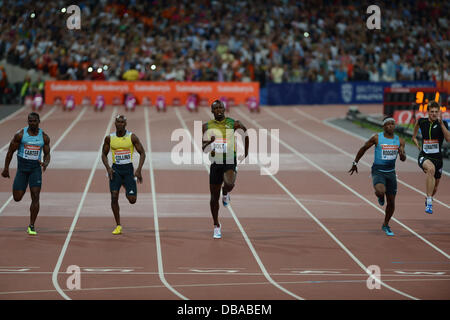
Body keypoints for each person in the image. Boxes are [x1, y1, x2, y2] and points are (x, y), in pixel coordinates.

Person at [349, 117, 406, 236]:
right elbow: (364, 148)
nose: (391, 126)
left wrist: (402, 154)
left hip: (391, 173)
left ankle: (386, 224)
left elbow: (403, 158)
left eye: (393, 124)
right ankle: (380, 196)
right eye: (388, 124)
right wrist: (355, 162)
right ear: (383, 126)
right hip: (378, 171)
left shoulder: (400, 140)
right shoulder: (377, 138)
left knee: (391, 202)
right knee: (381, 191)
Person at [202, 100, 249, 239]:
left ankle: (226, 191)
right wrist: (208, 142)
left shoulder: (233, 123)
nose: (218, 110)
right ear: (212, 111)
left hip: (229, 159)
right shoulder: (206, 126)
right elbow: (203, 147)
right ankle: (216, 225)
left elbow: (246, 132)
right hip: (215, 161)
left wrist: (246, 151)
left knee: (229, 183)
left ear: (224, 108)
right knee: (213, 198)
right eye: (215, 108)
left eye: (220, 107)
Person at [1, 112, 51, 235]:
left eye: (34, 121)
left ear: (39, 121)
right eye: (30, 121)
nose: (32, 123)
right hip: (22, 169)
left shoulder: (44, 137)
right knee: (17, 197)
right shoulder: (20, 135)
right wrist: (6, 168)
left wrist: (45, 163)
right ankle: (20, 188)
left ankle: (31, 225)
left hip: (35, 169)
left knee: (35, 196)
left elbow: (47, 154)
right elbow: (10, 152)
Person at [101, 115, 146, 235]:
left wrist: (139, 170)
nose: (119, 124)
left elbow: (142, 153)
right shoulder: (109, 138)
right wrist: (108, 168)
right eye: (117, 122)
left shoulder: (132, 137)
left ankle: (126, 186)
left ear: (125, 124)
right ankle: (118, 225)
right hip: (115, 171)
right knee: (114, 196)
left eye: (122, 122)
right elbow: (103, 155)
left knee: (132, 200)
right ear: (115, 123)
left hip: (128, 171)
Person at [412, 101, 450, 214]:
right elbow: (413, 136)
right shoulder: (421, 121)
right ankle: (429, 202)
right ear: (427, 112)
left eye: (436, 112)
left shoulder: (443, 124)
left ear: (439, 112)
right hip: (424, 155)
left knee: (435, 187)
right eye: (432, 111)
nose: (434, 114)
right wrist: (416, 142)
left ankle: (429, 197)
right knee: (431, 170)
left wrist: (442, 125)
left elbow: (448, 139)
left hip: (438, 159)